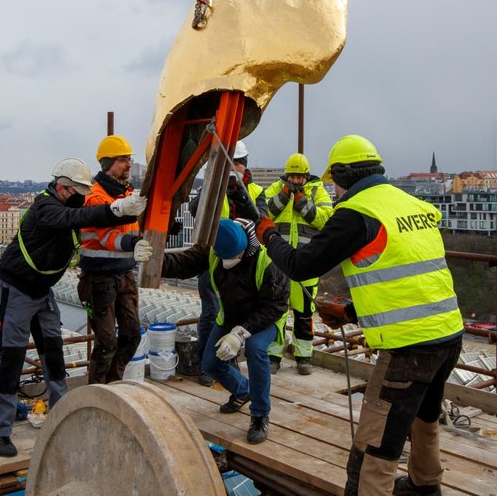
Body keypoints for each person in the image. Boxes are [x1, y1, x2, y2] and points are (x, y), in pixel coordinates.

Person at [257, 135, 464, 496]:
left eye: (334, 181)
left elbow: (301, 264)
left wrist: (268, 236)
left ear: (341, 175)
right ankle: (425, 485)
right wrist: (351, 312)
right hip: (449, 333)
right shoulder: (407, 202)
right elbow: (410, 280)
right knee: (424, 415)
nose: (333, 189)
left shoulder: (357, 212)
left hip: (409, 347)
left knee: (373, 448)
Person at [0, 158, 147, 458]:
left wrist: (124, 217)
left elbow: (90, 219)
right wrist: (115, 209)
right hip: (17, 288)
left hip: (41, 291)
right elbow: (72, 219)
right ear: (62, 188)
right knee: (10, 357)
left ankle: (64, 418)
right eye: (77, 191)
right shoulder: (44, 207)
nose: (82, 197)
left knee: (54, 354)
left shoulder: (67, 204)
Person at [160, 218, 288, 444]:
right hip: (230, 317)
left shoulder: (268, 261)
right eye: (223, 257)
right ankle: (242, 391)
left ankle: (259, 414)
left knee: (256, 351)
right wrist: (156, 260)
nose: (228, 261)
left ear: (244, 249)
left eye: (233, 257)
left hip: (263, 318)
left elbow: (275, 306)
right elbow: (183, 264)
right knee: (211, 363)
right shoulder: (215, 248)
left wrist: (241, 334)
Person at [188, 139, 267, 386]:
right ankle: (207, 364)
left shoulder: (255, 192)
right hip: (213, 259)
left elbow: (261, 218)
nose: (233, 169)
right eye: (229, 164)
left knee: (238, 313)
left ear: (244, 166)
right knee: (211, 312)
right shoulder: (213, 185)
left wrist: (241, 197)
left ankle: (229, 361)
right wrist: (211, 188)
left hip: (243, 263)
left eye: (237, 165)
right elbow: (194, 208)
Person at [77, 135, 154, 384]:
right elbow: (106, 237)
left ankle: (112, 385)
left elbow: (132, 229)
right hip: (99, 278)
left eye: (129, 159)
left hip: (123, 275)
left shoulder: (127, 194)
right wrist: (133, 244)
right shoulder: (95, 197)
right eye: (123, 159)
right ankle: (96, 394)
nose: (129, 164)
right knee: (106, 344)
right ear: (108, 162)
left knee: (132, 336)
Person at [262, 152, 333, 375]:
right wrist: (284, 197)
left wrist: (302, 203)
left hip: (306, 265)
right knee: (277, 313)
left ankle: (304, 358)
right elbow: (264, 212)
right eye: (291, 177)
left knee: (304, 314)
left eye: (298, 177)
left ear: (306, 176)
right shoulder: (276, 188)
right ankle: (274, 356)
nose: (294, 181)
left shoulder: (318, 191)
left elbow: (324, 219)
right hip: (278, 264)